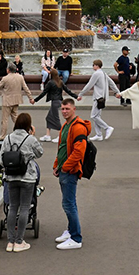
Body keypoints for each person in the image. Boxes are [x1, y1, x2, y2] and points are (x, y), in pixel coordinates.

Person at [1, 113, 44, 252]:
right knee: (25, 207)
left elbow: (1, 159)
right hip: (27, 177)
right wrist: (33, 136)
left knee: (13, 207)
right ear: (28, 125)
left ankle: (10, 241)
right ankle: (19, 241)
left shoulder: (7, 138)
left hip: (12, 177)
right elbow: (40, 153)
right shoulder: (30, 139)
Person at [53, 99, 90, 250]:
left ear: (74, 109)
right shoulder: (66, 126)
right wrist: (57, 165)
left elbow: (79, 152)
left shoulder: (78, 128)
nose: (64, 111)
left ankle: (76, 238)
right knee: (69, 202)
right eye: (62, 109)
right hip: (64, 169)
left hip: (70, 171)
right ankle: (70, 231)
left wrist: (66, 167)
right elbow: (62, 147)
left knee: (69, 204)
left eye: (67, 109)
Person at [76, 59, 119, 141]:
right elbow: (111, 83)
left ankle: (107, 128)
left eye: (93, 65)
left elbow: (89, 85)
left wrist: (81, 94)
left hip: (98, 97)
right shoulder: (103, 73)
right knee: (97, 116)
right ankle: (99, 134)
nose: (92, 66)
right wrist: (117, 92)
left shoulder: (96, 74)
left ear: (96, 65)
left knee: (93, 116)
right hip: (103, 97)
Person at [34, 68, 78, 142]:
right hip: (59, 101)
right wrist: (76, 97)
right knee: (48, 118)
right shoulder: (60, 82)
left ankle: (60, 136)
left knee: (56, 119)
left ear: (51, 75)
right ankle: (48, 135)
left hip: (54, 102)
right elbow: (68, 91)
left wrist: (35, 100)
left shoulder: (50, 83)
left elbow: (44, 93)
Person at [0, 63, 34, 136]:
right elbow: (26, 88)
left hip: (7, 101)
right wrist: (30, 98)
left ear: (8, 70)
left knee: (5, 120)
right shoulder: (20, 77)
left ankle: (3, 136)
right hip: (16, 100)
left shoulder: (5, 78)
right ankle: (27, 130)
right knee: (15, 118)